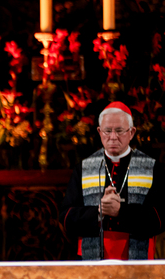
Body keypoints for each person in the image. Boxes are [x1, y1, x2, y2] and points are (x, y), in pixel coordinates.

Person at [60, 101, 165, 260]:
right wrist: (98, 212)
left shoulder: (152, 168)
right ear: (99, 132)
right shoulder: (83, 168)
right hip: (91, 262)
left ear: (132, 132)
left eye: (119, 131)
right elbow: (66, 218)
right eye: (107, 131)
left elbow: (161, 217)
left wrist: (121, 211)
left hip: (138, 261)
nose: (113, 137)